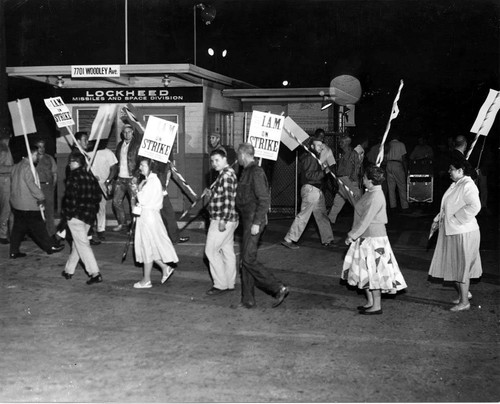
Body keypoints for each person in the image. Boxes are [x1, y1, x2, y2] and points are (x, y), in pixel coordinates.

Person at [341, 165, 407, 315]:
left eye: (364, 178)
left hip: (374, 238)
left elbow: (366, 219)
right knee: (366, 270)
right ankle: (370, 302)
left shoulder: (376, 196)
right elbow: (360, 207)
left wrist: (352, 235)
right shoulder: (370, 192)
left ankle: (377, 305)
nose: (362, 180)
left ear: (370, 180)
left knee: (374, 272)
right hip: (366, 237)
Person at [235, 143, 289, 309]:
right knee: (246, 259)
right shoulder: (247, 171)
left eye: (238, 156)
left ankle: (278, 287)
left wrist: (257, 223)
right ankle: (248, 300)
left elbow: (264, 200)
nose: (237, 159)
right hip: (247, 220)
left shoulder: (256, 172)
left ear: (243, 155)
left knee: (248, 259)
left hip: (253, 220)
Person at [428, 158, 482, 312]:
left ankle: (464, 302)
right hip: (454, 230)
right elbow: (448, 206)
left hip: (464, 232)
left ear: (461, 171)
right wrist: (438, 219)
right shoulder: (457, 184)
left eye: (452, 169)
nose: (449, 171)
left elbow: (475, 206)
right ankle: (464, 294)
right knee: (455, 265)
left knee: (462, 267)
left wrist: (457, 218)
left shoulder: (468, 185)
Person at [9, 144, 64, 259]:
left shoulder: (16, 166)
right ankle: (50, 247)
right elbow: (31, 184)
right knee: (40, 227)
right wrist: (41, 196)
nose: (38, 157)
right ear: (32, 154)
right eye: (36, 155)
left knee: (17, 229)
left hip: (17, 203)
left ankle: (14, 251)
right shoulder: (28, 167)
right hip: (28, 205)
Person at [282, 132, 335, 249]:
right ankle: (289, 239)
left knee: (321, 215)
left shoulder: (313, 157)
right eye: (317, 145)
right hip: (311, 190)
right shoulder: (310, 158)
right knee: (304, 216)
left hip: (316, 190)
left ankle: (328, 239)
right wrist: (324, 172)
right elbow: (310, 175)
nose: (320, 148)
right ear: (311, 146)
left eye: (321, 145)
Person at [133, 158, 179, 289]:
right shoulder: (150, 180)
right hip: (148, 217)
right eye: (140, 165)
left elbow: (143, 200)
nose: (140, 167)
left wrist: (138, 189)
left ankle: (146, 280)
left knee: (147, 247)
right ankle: (165, 268)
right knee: (150, 246)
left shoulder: (152, 181)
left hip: (148, 217)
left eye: (143, 165)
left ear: (150, 167)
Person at [60, 152, 103, 284]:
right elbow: (98, 198)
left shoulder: (73, 177)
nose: (69, 164)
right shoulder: (91, 176)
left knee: (82, 244)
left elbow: (70, 198)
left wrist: (68, 214)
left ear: (76, 163)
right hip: (89, 216)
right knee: (78, 243)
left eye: (70, 162)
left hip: (76, 215)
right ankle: (68, 270)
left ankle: (95, 273)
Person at [204, 149, 238, 295]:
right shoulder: (225, 175)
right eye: (212, 161)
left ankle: (220, 284)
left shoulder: (225, 176)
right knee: (227, 250)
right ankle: (230, 282)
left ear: (225, 159)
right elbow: (223, 196)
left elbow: (229, 200)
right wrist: (211, 194)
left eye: (217, 160)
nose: (214, 163)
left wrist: (223, 220)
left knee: (210, 251)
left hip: (221, 219)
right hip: (230, 219)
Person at [112, 124, 141, 232]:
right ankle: (122, 223)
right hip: (120, 178)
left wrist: (136, 176)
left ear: (132, 132)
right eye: (125, 132)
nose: (127, 134)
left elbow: (141, 162)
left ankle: (134, 227)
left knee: (133, 204)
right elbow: (116, 162)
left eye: (129, 132)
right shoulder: (120, 145)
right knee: (116, 202)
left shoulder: (137, 145)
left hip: (132, 178)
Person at [88, 140, 118, 241]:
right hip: (91, 185)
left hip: (103, 184)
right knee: (90, 208)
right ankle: (89, 230)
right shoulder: (87, 153)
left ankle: (101, 230)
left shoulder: (108, 153)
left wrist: (108, 180)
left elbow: (114, 168)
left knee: (101, 208)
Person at [328, 135, 362, 224]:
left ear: (347, 143)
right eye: (340, 142)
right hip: (342, 179)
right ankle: (330, 220)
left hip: (348, 180)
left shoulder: (353, 153)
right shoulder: (342, 154)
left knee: (356, 202)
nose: (340, 144)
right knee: (338, 201)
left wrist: (353, 178)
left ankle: (362, 222)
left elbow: (357, 166)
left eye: (342, 142)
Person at [157, 161, 190, 244]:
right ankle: (173, 238)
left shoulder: (163, 164)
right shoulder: (156, 164)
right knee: (169, 215)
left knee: (166, 216)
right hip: (159, 193)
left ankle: (171, 238)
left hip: (160, 193)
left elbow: (167, 175)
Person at [34, 139, 58, 236]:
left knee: (49, 211)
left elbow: (55, 173)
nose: (42, 149)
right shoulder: (33, 159)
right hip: (36, 187)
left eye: (43, 146)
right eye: (39, 146)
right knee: (37, 211)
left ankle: (51, 232)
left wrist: (53, 186)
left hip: (48, 186)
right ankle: (37, 233)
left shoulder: (49, 158)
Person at [385, 135, 409, 211]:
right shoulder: (401, 144)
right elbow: (404, 158)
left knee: (391, 187)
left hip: (389, 164)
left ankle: (393, 205)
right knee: (401, 185)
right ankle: (404, 205)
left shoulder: (388, 144)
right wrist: (406, 170)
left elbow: (385, 156)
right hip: (397, 164)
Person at [0, 136, 14, 244]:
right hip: (4, 180)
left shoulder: (6, 148)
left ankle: (12, 233)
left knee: (9, 208)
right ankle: (3, 234)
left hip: (6, 179)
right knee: (6, 208)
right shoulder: (3, 149)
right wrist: (14, 168)